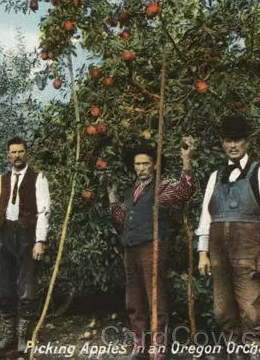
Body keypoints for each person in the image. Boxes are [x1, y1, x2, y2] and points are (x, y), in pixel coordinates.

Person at [196, 115, 260, 351]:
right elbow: (206, 215)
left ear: (247, 141)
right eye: (227, 140)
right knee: (222, 310)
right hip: (218, 254)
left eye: (237, 140)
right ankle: (235, 353)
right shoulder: (216, 176)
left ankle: (258, 352)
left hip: (249, 251)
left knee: (252, 309)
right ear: (222, 143)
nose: (232, 145)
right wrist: (203, 251)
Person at [108, 137, 196, 358]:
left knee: (155, 299)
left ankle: (158, 347)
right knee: (134, 300)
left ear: (154, 165)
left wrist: (186, 161)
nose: (141, 168)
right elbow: (121, 221)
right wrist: (112, 201)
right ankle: (140, 345)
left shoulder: (160, 188)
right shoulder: (131, 191)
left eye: (146, 163)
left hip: (152, 247)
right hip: (131, 249)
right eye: (138, 164)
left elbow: (184, 192)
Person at [0, 137, 50, 353]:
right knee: (3, 289)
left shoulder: (38, 178)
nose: (17, 156)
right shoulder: (1, 180)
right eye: (13, 152)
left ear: (26, 153)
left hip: (27, 236)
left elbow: (43, 212)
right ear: (8, 155)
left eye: (20, 152)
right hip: (4, 236)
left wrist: (40, 241)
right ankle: (9, 337)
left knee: (26, 289)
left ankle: (23, 338)